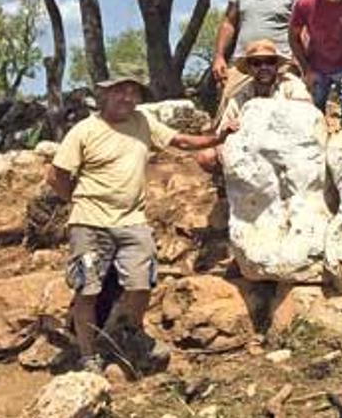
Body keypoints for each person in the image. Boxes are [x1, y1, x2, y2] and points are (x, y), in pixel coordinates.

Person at [49, 77, 236, 374]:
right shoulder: (84, 130)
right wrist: (78, 201)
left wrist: (219, 137)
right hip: (90, 221)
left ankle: (128, 335)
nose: (127, 97)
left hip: (132, 220)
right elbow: (57, 175)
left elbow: (182, 141)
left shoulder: (143, 122)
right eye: (120, 91)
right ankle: (88, 356)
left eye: (133, 92)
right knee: (87, 290)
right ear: (105, 94)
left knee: (141, 282)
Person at [195, 40, 311, 172]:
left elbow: (307, 116)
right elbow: (221, 132)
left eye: (270, 61)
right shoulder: (240, 94)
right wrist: (226, 132)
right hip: (251, 152)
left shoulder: (291, 85)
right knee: (207, 156)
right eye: (256, 63)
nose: (264, 67)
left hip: (288, 146)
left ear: (276, 65)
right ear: (250, 68)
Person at [209, 0, 301, 99]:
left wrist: (297, 58)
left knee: (296, 102)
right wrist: (219, 56)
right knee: (228, 102)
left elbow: (301, 28)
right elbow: (229, 22)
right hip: (245, 61)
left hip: (280, 63)